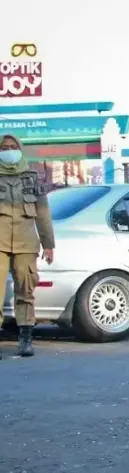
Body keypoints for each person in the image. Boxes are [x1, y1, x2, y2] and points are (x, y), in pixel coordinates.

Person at [0, 134, 55, 357]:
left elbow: (43, 212)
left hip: (26, 242)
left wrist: (48, 244)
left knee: (25, 289)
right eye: (4, 147)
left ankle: (25, 337)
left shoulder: (32, 177)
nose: (9, 150)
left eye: (13, 147)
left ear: (21, 149)